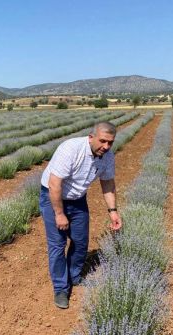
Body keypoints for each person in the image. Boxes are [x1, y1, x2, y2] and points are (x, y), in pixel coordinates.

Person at [39, 121, 122, 309]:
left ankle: (74, 276)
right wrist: (59, 214)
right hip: (53, 196)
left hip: (77, 200)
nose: (106, 147)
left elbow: (107, 183)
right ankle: (61, 288)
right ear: (91, 137)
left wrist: (113, 212)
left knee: (81, 241)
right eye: (102, 141)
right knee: (58, 245)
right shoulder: (70, 149)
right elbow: (54, 184)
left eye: (110, 143)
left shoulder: (107, 156)